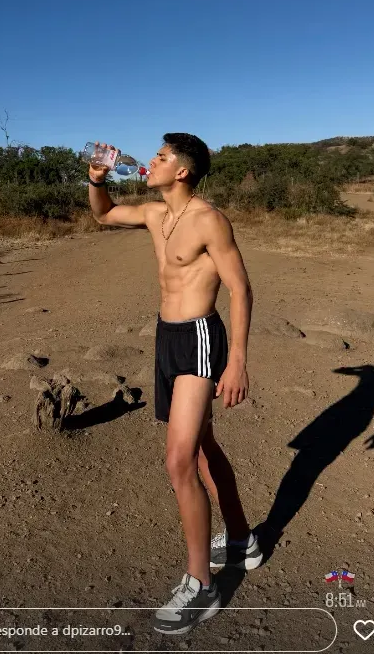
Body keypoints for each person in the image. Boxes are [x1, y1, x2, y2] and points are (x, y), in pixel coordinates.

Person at [88, 133, 262, 635]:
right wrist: (96, 179)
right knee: (202, 445)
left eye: (161, 158)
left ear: (182, 171)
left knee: (179, 459)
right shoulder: (155, 214)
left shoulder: (209, 220)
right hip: (166, 337)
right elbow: (103, 214)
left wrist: (238, 362)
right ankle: (243, 540)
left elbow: (240, 287)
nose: (151, 162)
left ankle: (200, 584)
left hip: (202, 338)